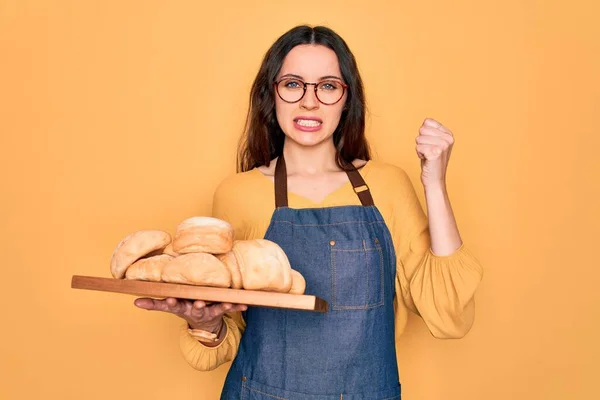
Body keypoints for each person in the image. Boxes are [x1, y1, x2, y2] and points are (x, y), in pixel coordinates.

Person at [134, 25, 483, 399]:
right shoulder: (239, 193)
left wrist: (434, 183)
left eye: (328, 86)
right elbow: (229, 333)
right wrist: (206, 322)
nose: (309, 102)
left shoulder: (389, 186)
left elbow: (449, 315)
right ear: (272, 94)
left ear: (347, 99)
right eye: (293, 84)